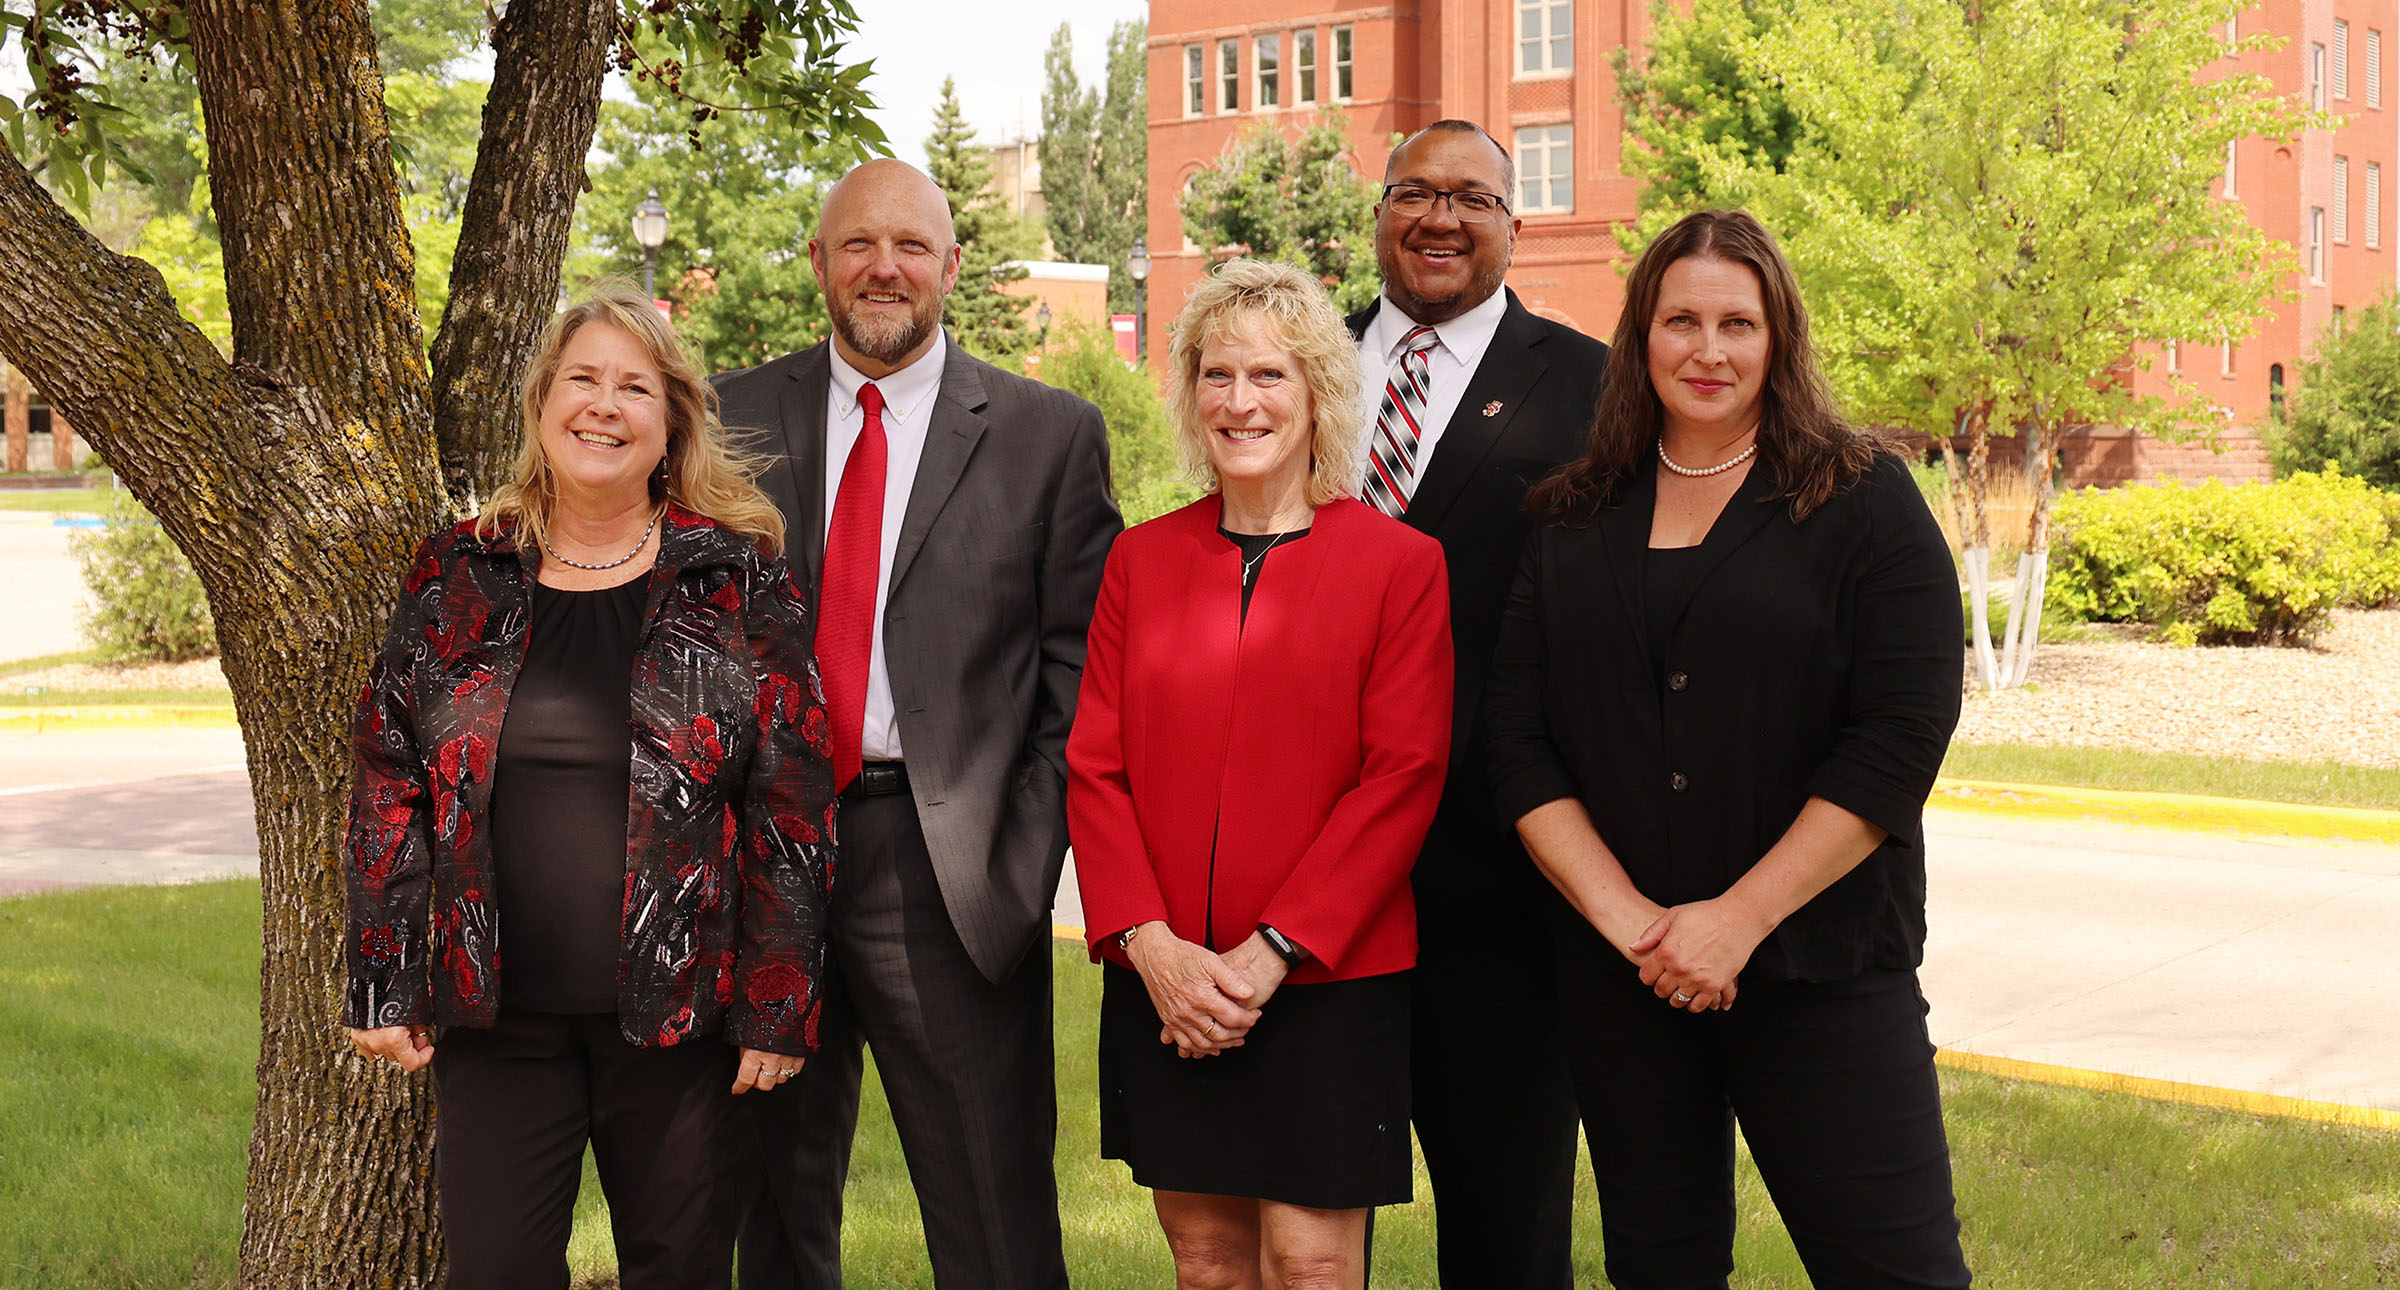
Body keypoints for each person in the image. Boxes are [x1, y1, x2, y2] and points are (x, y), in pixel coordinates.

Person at [1484, 209, 1971, 1288]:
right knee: (1660, 1272)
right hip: (1625, 980)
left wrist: (1736, 922)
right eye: (1683, 320)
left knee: (1896, 1271)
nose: (1709, 350)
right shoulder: (1570, 516)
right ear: (1641, 336)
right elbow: (1515, 740)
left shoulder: (1864, 499)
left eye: (1738, 323)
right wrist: (1638, 930)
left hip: (1821, 967)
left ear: (1779, 338)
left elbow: (1898, 741)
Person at [343, 285, 837, 1290]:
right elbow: (389, 777)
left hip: (682, 1024)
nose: (604, 406)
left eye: (634, 387)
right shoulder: (460, 573)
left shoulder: (738, 581)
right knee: (494, 1273)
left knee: (682, 1271)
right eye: (583, 381)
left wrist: (779, 1006)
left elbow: (793, 804)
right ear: (541, 408)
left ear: (671, 425)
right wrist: (383, 974)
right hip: (496, 1020)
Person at [715, 158, 1119, 1290]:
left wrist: (1021, 859)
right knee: (775, 1211)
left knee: (991, 1215)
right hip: (766, 864)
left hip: (947, 869)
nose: (882, 268)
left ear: (950, 265)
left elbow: (1082, 671)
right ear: (819, 265)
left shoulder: (1049, 433)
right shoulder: (732, 416)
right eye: (857, 245)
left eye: (908, 247)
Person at [1067, 257, 1454, 1289]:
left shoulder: (1399, 566)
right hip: (1167, 981)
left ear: (1319, 394)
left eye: (1271, 376)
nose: (1242, 402)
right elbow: (1094, 768)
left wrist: (1270, 954)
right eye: (1218, 375)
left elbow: (1403, 777)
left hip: (1330, 979)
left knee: (1313, 1263)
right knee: (1206, 1264)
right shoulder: (1139, 563)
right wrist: (1154, 952)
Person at [1346, 119, 1608, 1289]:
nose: (1440, 218)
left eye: (1473, 198)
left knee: (1506, 1237)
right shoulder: (1292, 364)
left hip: (1497, 882)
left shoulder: (1595, 386)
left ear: (1516, 224)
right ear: (1381, 213)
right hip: (1304, 883)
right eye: (1414, 192)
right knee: (1296, 1234)